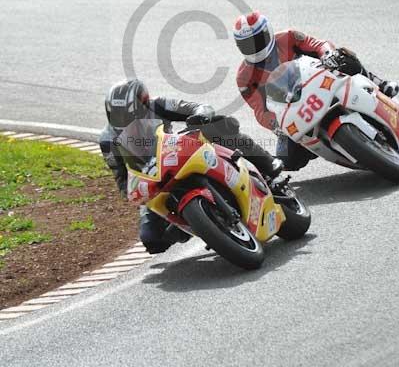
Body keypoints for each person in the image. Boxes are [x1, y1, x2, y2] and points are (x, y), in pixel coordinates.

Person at [99, 78, 285, 254]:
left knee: (221, 126)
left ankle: (268, 164)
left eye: (127, 115)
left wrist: (201, 115)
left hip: (174, 151)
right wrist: (134, 192)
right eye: (117, 116)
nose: (123, 121)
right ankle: (202, 226)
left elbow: (196, 107)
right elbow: (122, 178)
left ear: (144, 103)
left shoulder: (159, 105)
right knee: (151, 239)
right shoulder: (108, 140)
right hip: (154, 178)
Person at [234, 10, 399, 171]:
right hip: (292, 108)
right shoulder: (244, 78)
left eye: (257, 40)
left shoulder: (288, 36)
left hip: (317, 81)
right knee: (286, 159)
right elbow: (260, 111)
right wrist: (275, 124)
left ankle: (382, 84)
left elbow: (318, 44)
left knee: (343, 57)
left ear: (267, 32)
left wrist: (328, 54)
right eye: (247, 44)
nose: (254, 48)